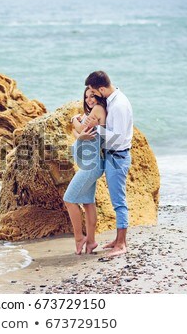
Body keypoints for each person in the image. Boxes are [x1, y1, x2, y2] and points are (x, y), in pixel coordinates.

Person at [84, 71, 133, 257]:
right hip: (113, 156)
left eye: (94, 92)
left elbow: (118, 138)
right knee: (117, 201)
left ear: (102, 88)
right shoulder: (114, 100)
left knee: (119, 203)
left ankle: (121, 245)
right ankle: (118, 240)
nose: (94, 95)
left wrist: (96, 128)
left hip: (117, 157)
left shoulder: (119, 105)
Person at [63, 87, 107, 255]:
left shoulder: (98, 110)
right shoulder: (93, 114)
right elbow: (80, 133)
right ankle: (91, 241)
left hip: (91, 166)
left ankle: (79, 238)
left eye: (93, 96)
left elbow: (80, 129)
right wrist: (78, 133)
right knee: (88, 203)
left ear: (99, 96)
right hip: (90, 165)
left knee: (69, 199)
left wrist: (74, 119)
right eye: (87, 96)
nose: (89, 99)